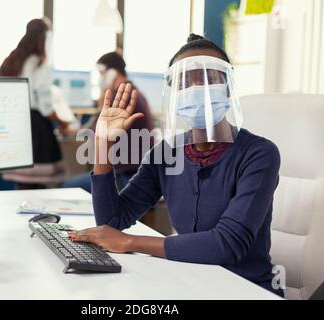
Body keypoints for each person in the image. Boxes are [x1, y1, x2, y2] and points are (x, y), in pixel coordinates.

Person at [69, 34, 284, 297]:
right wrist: (102, 147)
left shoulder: (260, 154)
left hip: (248, 290)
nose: (195, 89)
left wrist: (129, 242)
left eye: (207, 78)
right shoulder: (165, 154)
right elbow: (112, 221)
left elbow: (228, 244)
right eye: (185, 83)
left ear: (227, 87)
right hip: (190, 284)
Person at [59, 51, 154, 192]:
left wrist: (103, 98)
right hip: (135, 172)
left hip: (127, 176)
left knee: (65, 187)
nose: (101, 78)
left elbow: (94, 131)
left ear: (112, 73)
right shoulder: (133, 91)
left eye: (102, 73)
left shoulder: (121, 97)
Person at [0, 18, 74, 189]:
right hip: (35, 128)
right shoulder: (38, 63)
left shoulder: (11, 60)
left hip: (14, 125)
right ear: (44, 37)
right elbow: (46, 106)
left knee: (22, 182)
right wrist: (62, 123)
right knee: (38, 184)